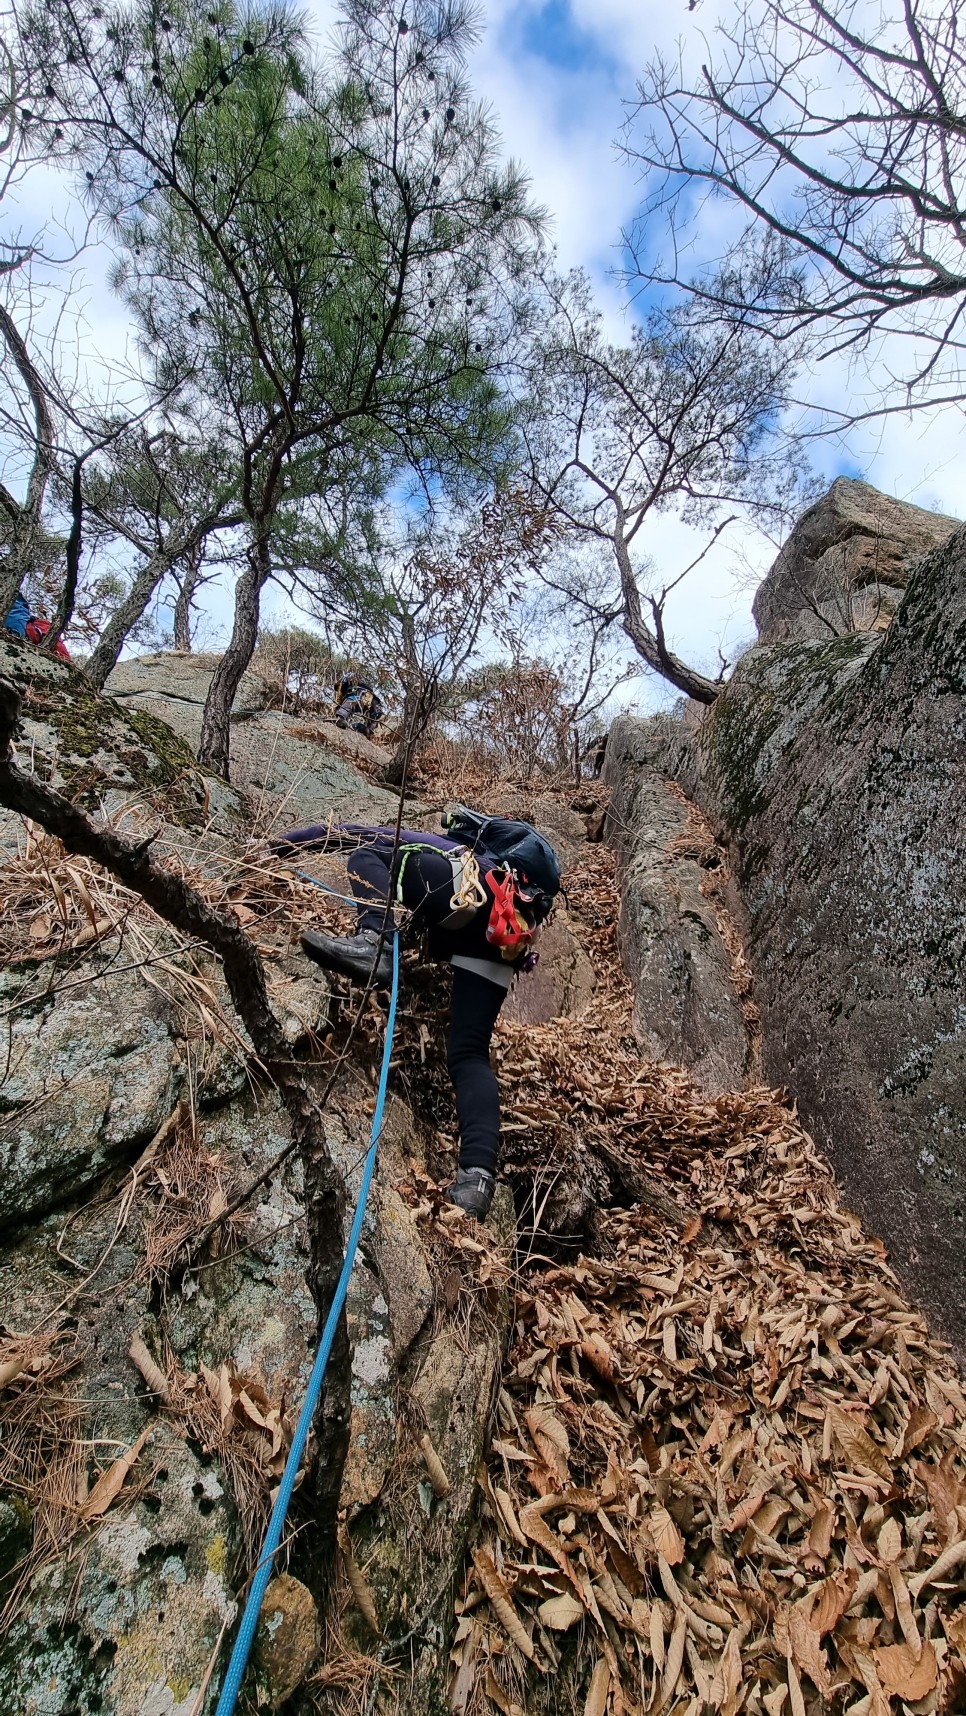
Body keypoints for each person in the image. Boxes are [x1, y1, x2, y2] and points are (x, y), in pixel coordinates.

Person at [272, 809, 561, 1219]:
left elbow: (352, 834)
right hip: (507, 931)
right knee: (469, 1053)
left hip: (476, 898)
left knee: (367, 852)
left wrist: (280, 847)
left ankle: (373, 942)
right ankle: (476, 1179)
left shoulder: (451, 852)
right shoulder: (515, 883)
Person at [333, 672, 382, 739]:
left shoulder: (346, 681)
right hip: (369, 697)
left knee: (349, 702)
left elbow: (340, 697)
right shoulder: (372, 696)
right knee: (368, 713)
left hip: (355, 693)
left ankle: (341, 719)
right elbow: (376, 714)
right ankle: (367, 730)